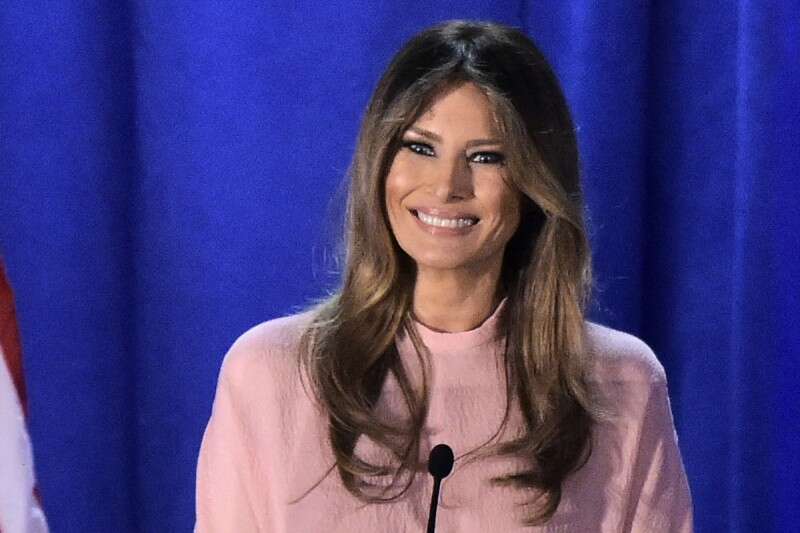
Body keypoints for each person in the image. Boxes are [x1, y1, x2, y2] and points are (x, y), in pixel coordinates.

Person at [195, 20, 692, 532]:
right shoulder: (267, 373)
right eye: (420, 147)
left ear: (533, 184)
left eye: (485, 157)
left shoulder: (621, 383)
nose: (447, 186)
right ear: (379, 162)